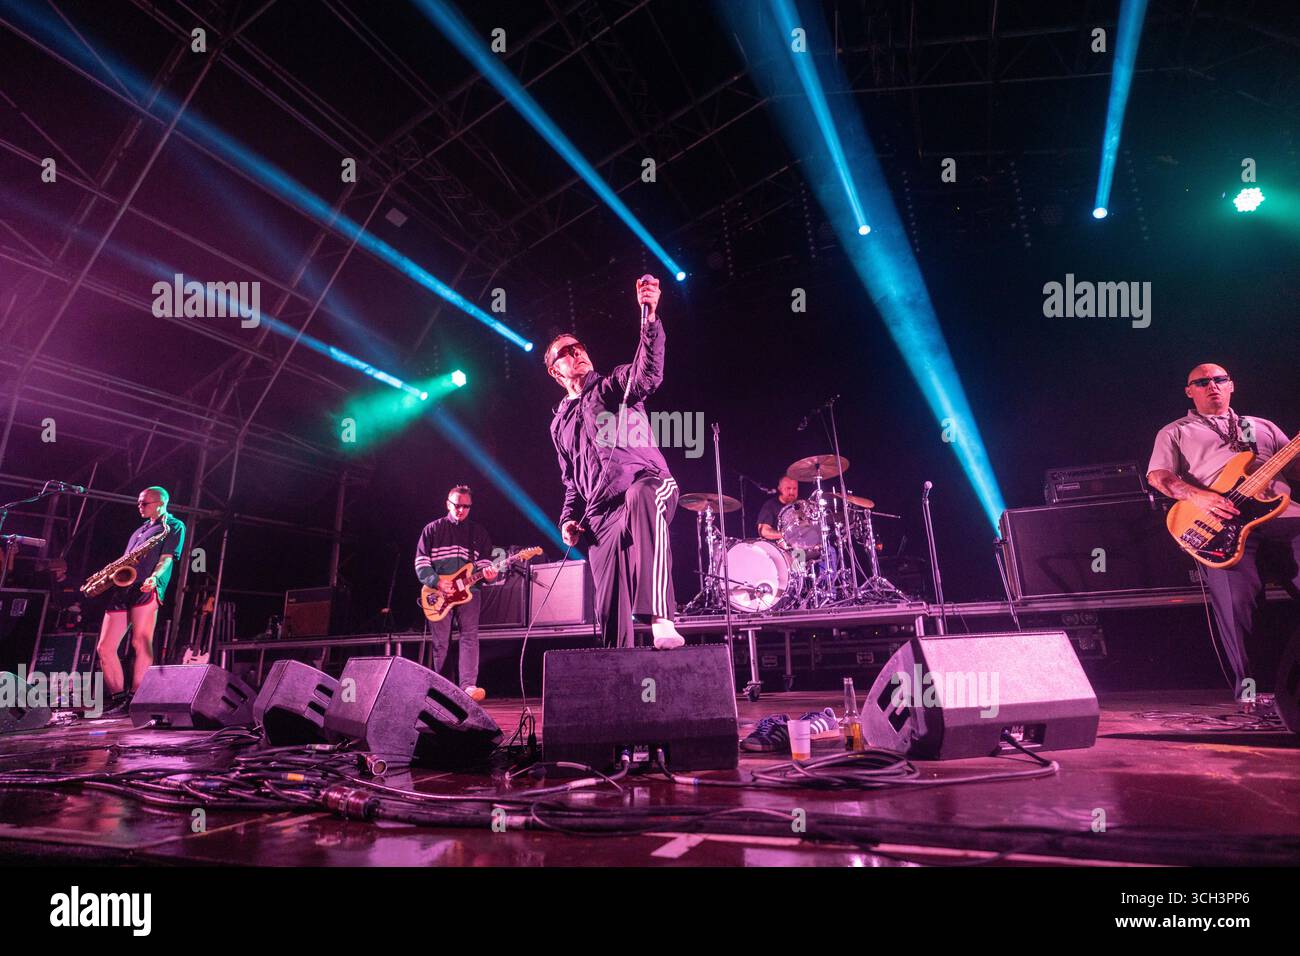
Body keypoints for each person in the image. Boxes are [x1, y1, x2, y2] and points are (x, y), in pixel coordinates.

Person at [1146, 363, 1300, 709]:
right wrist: (1196, 495)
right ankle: (1251, 693)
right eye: (1202, 382)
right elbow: (1159, 476)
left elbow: (1295, 469)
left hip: (1285, 518)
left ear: (1232, 385)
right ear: (1190, 391)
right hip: (1220, 526)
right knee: (1237, 609)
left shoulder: (1262, 427)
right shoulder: (1176, 431)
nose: (1212, 385)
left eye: (1219, 379)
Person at [547, 275, 685, 650]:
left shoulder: (609, 387)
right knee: (609, 610)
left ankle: (661, 619)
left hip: (648, 484)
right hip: (599, 520)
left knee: (642, 495)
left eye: (579, 347)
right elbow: (572, 483)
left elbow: (647, 374)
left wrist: (650, 317)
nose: (576, 352)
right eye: (566, 351)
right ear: (555, 371)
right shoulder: (559, 425)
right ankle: (618, 675)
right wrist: (568, 520)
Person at [95, 486, 185, 717]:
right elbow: (126, 560)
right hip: (125, 587)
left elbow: (167, 559)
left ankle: (136, 698)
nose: (139, 506)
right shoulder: (139, 531)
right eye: (139, 502)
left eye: (144, 503)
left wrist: (155, 577)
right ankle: (118, 698)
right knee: (104, 648)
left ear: (161, 503)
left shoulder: (173, 526)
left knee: (140, 643)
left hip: (147, 586)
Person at [414, 485, 497, 702]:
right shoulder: (432, 530)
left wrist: (489, 576)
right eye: (456, 505)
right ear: (447, 504)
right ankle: (443, 688)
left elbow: (484, 567)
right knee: (441, 641)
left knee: (470, 637)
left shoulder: (478, 533)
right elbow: (421, 563)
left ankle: (468, 687)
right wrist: (437, 582)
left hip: (470, 593)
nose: (461, 510)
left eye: (465, 506)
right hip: (438, 593)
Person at [756, 476, 800, 544]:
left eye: (795, 488)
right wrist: (787, 535)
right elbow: (764, 531)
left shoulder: (801, 505)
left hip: (799, 548)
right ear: (780, 489)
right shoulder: (771, 505)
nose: (792, 492)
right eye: (788, 488)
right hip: (778, 550)